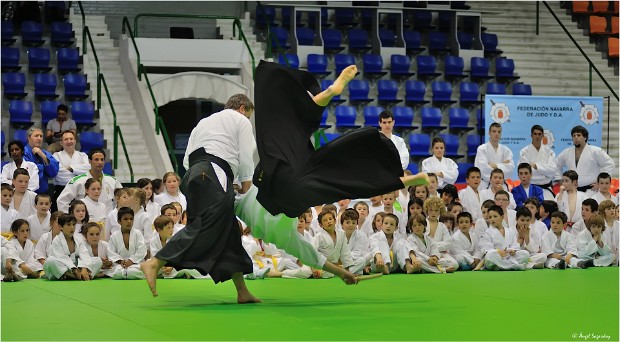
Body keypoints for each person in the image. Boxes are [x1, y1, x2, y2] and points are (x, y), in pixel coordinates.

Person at [142, 62, 430, 299]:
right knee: (290, 133)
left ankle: (241, 291)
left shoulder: (204, 128)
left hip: (242, 181)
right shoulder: (239, 123)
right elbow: (244, 158)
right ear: (243, 109)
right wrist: (245, 183)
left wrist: (342, 273)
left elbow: (187, 162)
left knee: (327, 170)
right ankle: (157, 261)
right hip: (264, 182)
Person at [56, 148, 122, 213]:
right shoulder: (78, 181)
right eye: (96, 160)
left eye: (102, 160)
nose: (100, 162)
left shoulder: (113, 181)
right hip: (84, 221)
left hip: (106, 220)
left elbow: (122, 199)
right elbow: (62, 201)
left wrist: (115, 216)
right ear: (90, 161)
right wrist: (70, 219)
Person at [556, 125, 615, 194]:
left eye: (578, 135)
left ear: (585, 137)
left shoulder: (595, 151)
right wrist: (560, 180)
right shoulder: (566, 152)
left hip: (591, 191)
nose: (576, 137)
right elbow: (556, 165)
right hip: (573, 190)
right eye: (574, 136)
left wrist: (600, 183)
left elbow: (609, 164)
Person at [43, 213, 100, 280]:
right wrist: (74, 269)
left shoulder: (78, 239)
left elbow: (84, 254)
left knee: (98, 260)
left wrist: (84, 268)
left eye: (73, 224)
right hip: (64, 267)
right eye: (68, 225)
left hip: (78, 266)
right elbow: (61, 258)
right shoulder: (57, 240)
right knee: (50, 261)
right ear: (61, 226)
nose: (72, 227)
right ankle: (75, 277)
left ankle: (81, 275)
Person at [479, 205, 529, 271]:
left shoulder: (510, 231)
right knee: (489, 256)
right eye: (490, 217)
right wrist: (498, 251)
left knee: (525, 254)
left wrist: (513, 250)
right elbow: (486, 249)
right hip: (497, 257)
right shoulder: (487, 233)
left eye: (495, 216)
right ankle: (514, 266)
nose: (492, 219)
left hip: (509, 257)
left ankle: (501, 266)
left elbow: (515, 246)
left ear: (502, 217)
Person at [51, 130, 90, 212]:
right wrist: (78, 172)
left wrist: (70, 168)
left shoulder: (83, 155)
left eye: (71, 139)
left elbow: (88, 170)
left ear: (75, 141)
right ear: (61, 142)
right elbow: (60, 174)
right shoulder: (56, 156)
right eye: (66, 139)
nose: (69, 141)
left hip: (80, 192)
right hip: (61, 190)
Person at [518, 125, 558, 200]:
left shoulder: (549, 152)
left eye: (539, 134)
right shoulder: (524, 152)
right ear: (531, 135)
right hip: (530, 188)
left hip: (546, 188)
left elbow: (552, 170)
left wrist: (536, 166)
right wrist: (545, 173)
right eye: (535, 134)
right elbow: (525, 172)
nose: (537, 136)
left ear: (543, 136)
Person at [312, 210, 355, 278]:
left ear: (335, 221)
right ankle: (288, 273)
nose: (329, 221)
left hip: (334, 267)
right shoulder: (318, 236)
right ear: (321, 225)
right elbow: (312, 252)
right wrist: (314, 268)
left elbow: (345, 252)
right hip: (321, 265)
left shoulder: (341, 234)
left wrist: (348, 270)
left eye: (330, 219)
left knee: (355, 265)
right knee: (305, 272)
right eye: (325, 220)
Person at [107, 207, 147, 280]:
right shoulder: (114, 235)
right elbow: (111, 252)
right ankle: (125, 273)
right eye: (125, 219)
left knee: (133, 271)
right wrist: (120, 261)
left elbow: (142, 250)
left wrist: (131, 261)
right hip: (120, 264)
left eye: (131, 219)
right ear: (119, 221)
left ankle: (127, 273)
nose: (129, 221)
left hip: (136, 263)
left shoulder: (138, 233)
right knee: (118, 273)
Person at [474, 123, 514, 190]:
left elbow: (510, 170)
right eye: (494, 131)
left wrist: (495, 165)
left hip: (501, 186)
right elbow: (483, 170)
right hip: (485, 186)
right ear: (489, 133)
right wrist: (502, 165)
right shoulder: (482, 149)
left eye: (499, 132)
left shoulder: (506, 150)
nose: (496, 134)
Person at [23, 126, 59, 194]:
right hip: (27, 192)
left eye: (41, 136)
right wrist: (41, 168)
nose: (39, 138)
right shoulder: (23, 152)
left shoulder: (44, 153)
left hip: (43, 194)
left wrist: (42, 155)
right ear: (29, 138)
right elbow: (27, 173)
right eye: (36, 136)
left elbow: (53, 172)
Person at [341, 209, 372, 275]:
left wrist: (346, 257)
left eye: (353, 223)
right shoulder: (338, 235)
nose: (351, 225)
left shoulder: (360, 235)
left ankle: (342, 272)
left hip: (356, 260)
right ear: (342, 224)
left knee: (366, 258)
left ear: (356, 224)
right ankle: (359, 271)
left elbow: (357, 253)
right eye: (347, 222)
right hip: (340, 262)